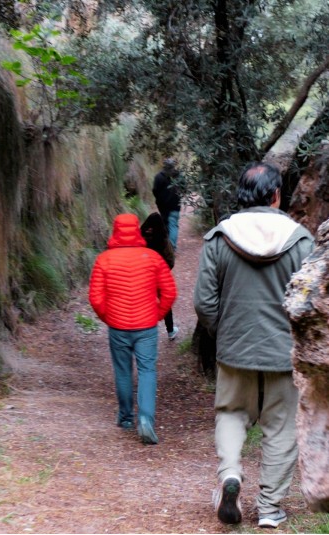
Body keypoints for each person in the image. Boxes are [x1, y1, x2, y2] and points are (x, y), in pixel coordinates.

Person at [193, 162, 314, 529]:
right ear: (277, 195)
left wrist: (223, 331)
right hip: (284, 354)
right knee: (281, 427)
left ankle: (231, 474)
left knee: (231, 413)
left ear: (241, 196)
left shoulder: (220, 238)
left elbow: (203, 302)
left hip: (234, 351)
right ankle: (270, 507)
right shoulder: (301, 240)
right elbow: (312, 302)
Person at [89, 213, 177, 445]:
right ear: (137, 230)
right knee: (147, 370)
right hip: (146, 326)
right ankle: (146, 419)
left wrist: (108, 317)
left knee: (123, 371)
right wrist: (156, 314)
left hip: (117, 326)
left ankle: (126, 417)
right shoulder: (152, 257)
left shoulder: (104, 260)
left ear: (115, 230)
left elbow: (96, 298)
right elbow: (169, 292)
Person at [140, 212, 179, 341]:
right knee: (165, 303)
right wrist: (164, 272)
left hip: (143, 277)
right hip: (159, 277)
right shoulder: (163, 239)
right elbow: (171, 260)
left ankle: (144, 331)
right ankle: (170, 330)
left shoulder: (140, 238)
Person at [152, 157, 185, 251]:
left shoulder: (158, 177)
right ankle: (171, 247)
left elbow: (155, 190)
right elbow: (184, 187)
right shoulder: (179, 176)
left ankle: (167, 247)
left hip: (162, 206)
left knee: (166, 224)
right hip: (175, 204)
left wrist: (159, 199)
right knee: (173, 225)